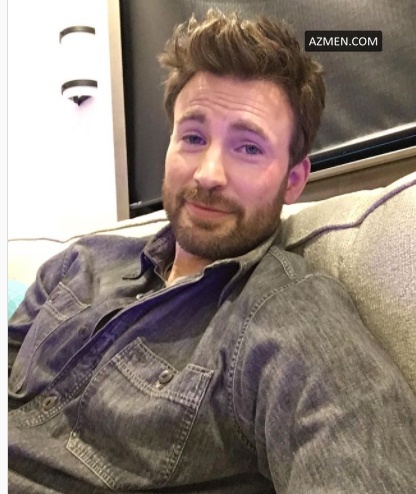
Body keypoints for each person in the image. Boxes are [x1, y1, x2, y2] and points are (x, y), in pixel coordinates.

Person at [8, 8, 416, 494]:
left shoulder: (293, 322)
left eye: (248, 148)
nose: (207, 174)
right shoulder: (81, 262)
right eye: (194, 137)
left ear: (293, 180)